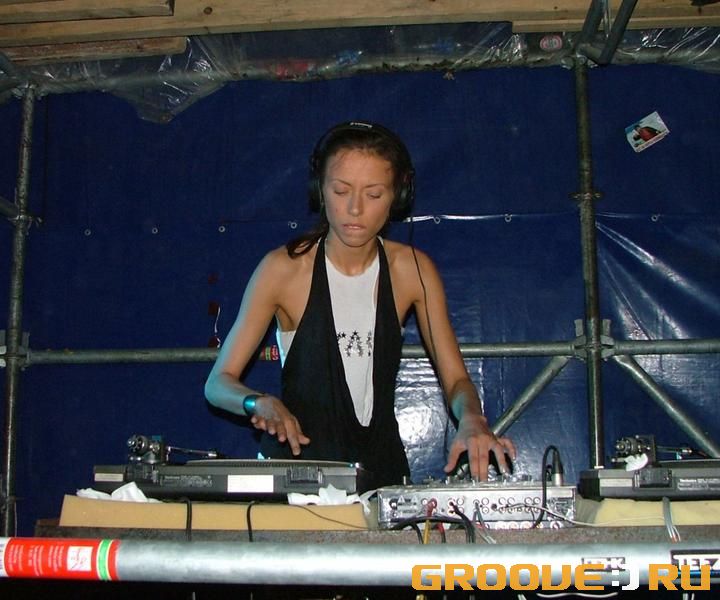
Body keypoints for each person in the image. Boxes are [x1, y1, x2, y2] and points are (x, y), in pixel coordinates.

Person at [204, 121, 515, 488]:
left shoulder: (413, 270)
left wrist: (473, 418)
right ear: (320, 190)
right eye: (341, 190)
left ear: (397, 197)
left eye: (374, 194)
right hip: (296, 478)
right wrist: (257, 403)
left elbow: (458, 380)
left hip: (381, 473)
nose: (355, 208)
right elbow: (218, 384)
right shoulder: (282, 269)